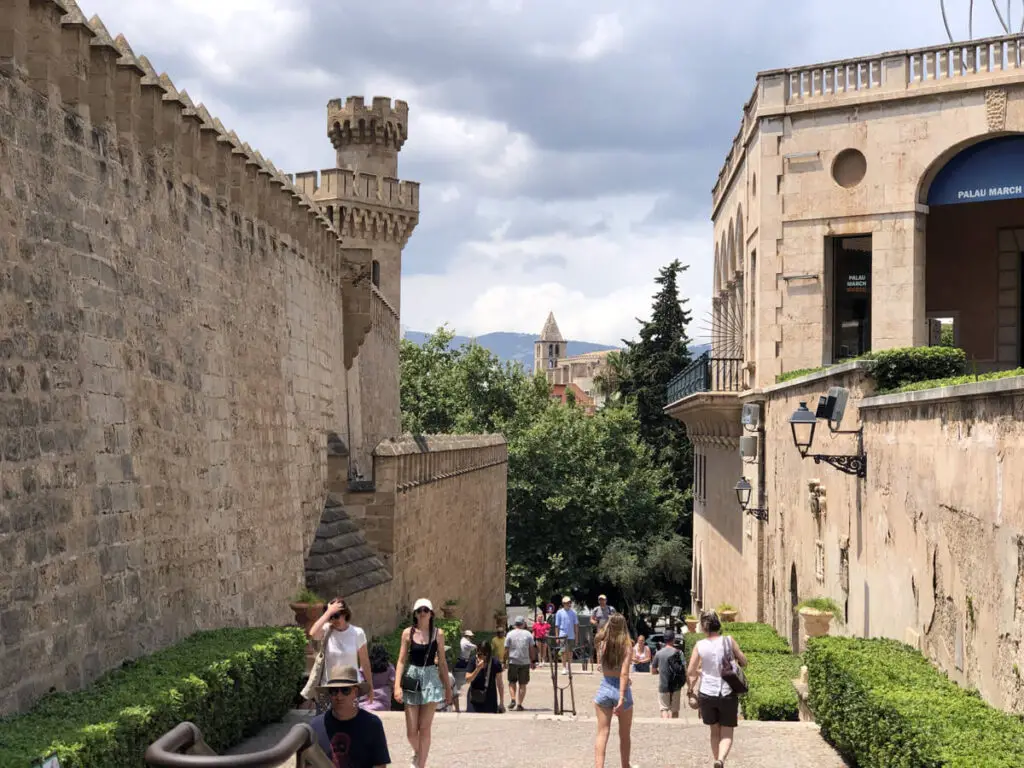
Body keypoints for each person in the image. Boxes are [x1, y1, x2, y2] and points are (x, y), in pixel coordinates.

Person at [394, 598, 453, 768]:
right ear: (415, 613)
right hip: (412, 676)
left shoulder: (438, 634)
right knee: (412, 731)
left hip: (431, 678)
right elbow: (401, 660)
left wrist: (448, 688)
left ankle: (421, 764)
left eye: (425, 610)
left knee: (425, 727)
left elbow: (442, 662)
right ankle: (419, 752)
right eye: (419, 610)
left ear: (431, 613)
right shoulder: (407, 633)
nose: (422, 613)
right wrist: (397, 686)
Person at [687, 610, 748, 768]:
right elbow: (743, 660)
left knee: (714, 731)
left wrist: (699, 676)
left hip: (707, 693)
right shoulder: (729, 640)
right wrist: (738, 661)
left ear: (704, 627)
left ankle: (717, 760)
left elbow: (690, 671)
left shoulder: (699, 645)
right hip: (727, 692)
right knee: (727, 732)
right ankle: (720, 760)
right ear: (718, 625)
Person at [310, 664, 391, 767]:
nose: (339, 696)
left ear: (355, 692)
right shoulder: (316, 726)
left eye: (345, 690)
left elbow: (380, 765)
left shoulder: (372, 725)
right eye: (334, 691)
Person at [309, 597, 374, 714]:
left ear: (345, 614)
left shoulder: (357, 633)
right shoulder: (326, 630)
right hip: (328, 688)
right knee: (326, 726)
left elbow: (365, 662)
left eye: (337, 615)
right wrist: (328, 613)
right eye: (331, 617)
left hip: (350, 688)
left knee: (349, 724)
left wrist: (370, 687)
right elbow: (313, 633)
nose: (334, 620)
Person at [592, 614, 633, 768]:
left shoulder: (602, 643)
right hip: (621, 689)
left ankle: (599, 766)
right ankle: (625, 765)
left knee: (602, 732)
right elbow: (624, 673)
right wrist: (622, 696)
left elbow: (598, 639)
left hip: (605, 686)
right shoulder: (626, 645)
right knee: (624, 735)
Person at [504, 616, 537, 711]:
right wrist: (533, 661)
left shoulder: (510, 634)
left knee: (511, 681)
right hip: (525, 662)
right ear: (523, 624)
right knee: (523, 684)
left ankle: (513, 698)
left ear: (515, 624)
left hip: (513, 661)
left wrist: (504, 661)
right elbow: (532, 649)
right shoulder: (528, 634)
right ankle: (519, 704)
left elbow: (506, 649)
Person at [651, 630, 684, 719]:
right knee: (675, 710)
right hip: (676, 686)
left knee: (664, 709)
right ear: (673, 639)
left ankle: (665, 726)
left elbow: (653, 670)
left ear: (664, 640)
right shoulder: (679, 653)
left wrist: (659, 671)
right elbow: (684, 668)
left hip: (663, 685)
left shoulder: (658, 653)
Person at [464, 641, 505, 713]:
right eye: (480, 654)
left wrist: (501, 702)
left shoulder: (495, 662)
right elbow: (467, 680)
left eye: (485, 654)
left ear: (489, 653)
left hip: (490, 698)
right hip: (474, 697)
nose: (483, 657)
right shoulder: (473, 660)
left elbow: (500, 684)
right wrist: (477, 669)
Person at [360, 644, 396, 712]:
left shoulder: (365, 666)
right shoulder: (390, 667)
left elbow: (361, 681)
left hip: (367, 699)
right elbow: (392, 683)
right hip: (383, 698)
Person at [451, 630, 476, 713]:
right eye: (470, 636)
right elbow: (475, 647)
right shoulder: (466, 642)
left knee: (461, 675)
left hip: (462, 660)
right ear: (467, 636)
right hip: (463, 660)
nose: (471, 638)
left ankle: (458, 687)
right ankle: (458, 688)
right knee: (462, 675)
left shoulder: (463, 640)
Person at [554, 596, 579, 675]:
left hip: (571, 635)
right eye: (566, 603)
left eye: (569, 602)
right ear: (563, 604)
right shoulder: (559, 612)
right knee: (563, 651)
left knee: (570, 652)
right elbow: (557, 625)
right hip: (562, 635)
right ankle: (564, 667)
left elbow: (576, 625)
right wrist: (557, 636)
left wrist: (576, 636)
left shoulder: (574, 612)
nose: (568, 604)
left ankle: (569, 667)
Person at [590, 594, 615, 668]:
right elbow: (591, 619)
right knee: (598, 648)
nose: (602, 601)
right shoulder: (596, 609)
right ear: (598, 601)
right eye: (600, 600)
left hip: (609, 631)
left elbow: (616, 618)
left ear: (606, 600)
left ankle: (608, 664)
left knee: (608, 647)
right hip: (599, 631)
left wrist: (611, 619)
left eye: (603, 600)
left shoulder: (611, 609)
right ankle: (599, 665)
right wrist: (594, 622)